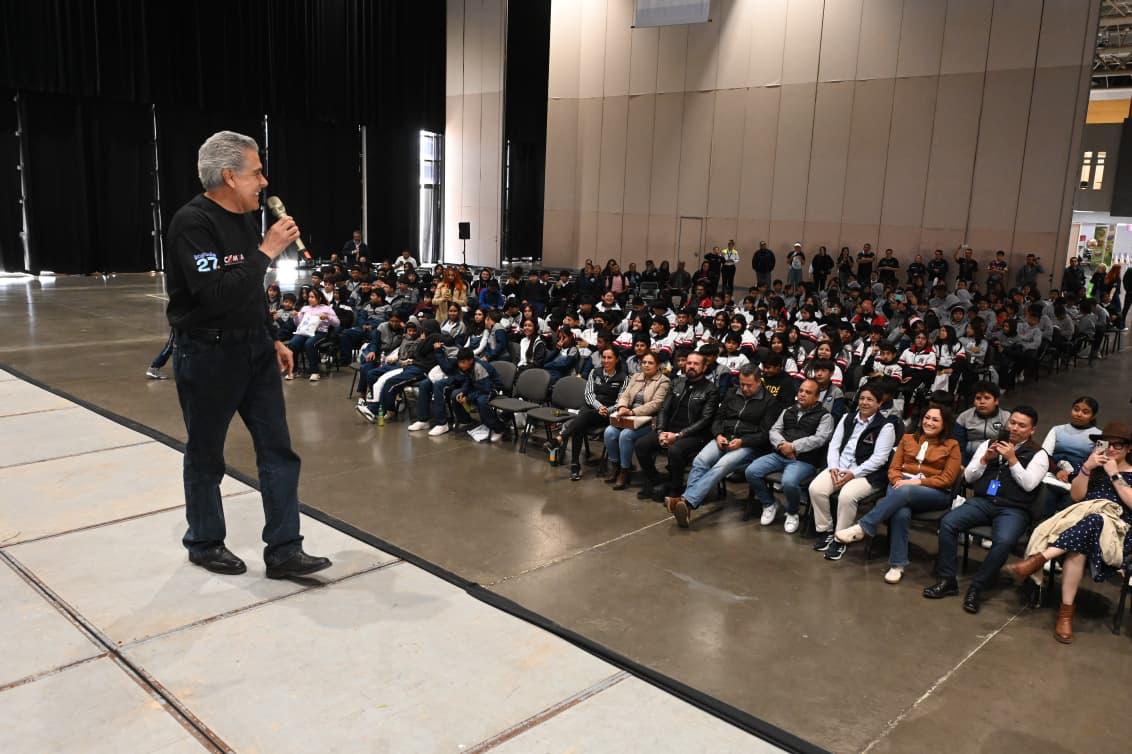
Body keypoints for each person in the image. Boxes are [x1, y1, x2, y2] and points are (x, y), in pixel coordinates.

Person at [164, 130, 329, 578]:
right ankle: (204, 542)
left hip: (254, 348)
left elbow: (249, 292)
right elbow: (214, 294)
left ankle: (285, 550)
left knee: (278, 450)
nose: (264, 181)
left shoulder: (243, 219)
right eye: (256, 172)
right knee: (206, 454)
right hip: (208, 353)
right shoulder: (192, 224)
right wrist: (266, 251)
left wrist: (272, 336)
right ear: (229, 176)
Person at [1008, 421, 1132, 643]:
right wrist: (1086, 468)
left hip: (1117, 531)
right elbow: (1076, 496)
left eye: (1118, 445)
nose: (1112, 449)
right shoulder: (1095, 468)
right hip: (1082, 524)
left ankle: (1039, 559)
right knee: (1080, 545)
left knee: (1096, 519)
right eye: (1107, 444)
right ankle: (1065, 614)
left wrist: (1115, 475)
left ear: (1129, 448)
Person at [924, 406, 1047, 613]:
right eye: (1012, 423)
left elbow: (1029, 485)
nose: (1014, 428)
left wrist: (1012, 459)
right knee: (948, 523)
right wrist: (984, 460)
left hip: (1014, 509)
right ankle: (947, 580)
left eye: (1022, 425)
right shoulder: (989, 444)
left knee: (1004, 541)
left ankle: (977, 588)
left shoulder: (1039, 454)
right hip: (983, 501)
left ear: (1032, 430)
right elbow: (968, 477)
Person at [836, 406, 961, 584]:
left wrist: (916, 482)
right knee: (901, 512)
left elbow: (947, 479)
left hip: (933, 492)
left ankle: (864, 526)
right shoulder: (908, 438)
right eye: (927, 418)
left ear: (944, 424)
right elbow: (894, 468)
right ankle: (897, 565)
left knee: (904, 492)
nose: (929, 422)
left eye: (935, 420)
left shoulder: (952, 445)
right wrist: (897, 481)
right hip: (900, 485)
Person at [667, 364, 779, 528]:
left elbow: (765, 434)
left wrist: (743, 442)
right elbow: (718, 418)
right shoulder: (732, 393)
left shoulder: (770, 402)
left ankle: (687, 501)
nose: (744, 388)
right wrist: (718, 434)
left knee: (722, 465)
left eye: (749, 385)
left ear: (759, 382)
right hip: (724, 437)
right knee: (700, 460)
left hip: (748, 444)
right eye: (742, 384)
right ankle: (687, 503)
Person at [810, 384, 901, 561]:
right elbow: (834, 445)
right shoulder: (847, 418)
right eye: (862, 398)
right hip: (840, 467)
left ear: (879, 403)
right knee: (816, 489)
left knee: (847, 496)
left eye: (870, 400)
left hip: (866, 474)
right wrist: (834, 467)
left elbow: (879, 459)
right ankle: (825, 530)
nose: (864, 402)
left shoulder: (885, 427)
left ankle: (840, 538)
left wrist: (853, 474)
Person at [746, 378, 834, 533]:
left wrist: (793, 446)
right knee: (751, 471)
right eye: (801, 391)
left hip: (804, 460)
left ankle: (793, 512)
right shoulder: (788, 410)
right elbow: (774, 430)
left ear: (816, 397)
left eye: (808, 392)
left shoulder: (825, 416)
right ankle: (769, 503)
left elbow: (820, 439)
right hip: (779, 454)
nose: (802, 394)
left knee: (789, 482)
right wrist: (782, 445)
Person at [635, 351, 719, 502]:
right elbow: (664, 409)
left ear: (704, 367)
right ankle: (657, 482)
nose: (691, 366)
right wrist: (661, 430)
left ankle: (675, 489)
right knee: (641, 445)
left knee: (675, 450)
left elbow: (705, 420)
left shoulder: (710, 389)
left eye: (696, 364)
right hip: (670, 430)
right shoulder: (676, 382)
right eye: (689, 363)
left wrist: (678, 435)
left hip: (696, 434)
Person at [547, 347, 628, 481]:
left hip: (607, 414)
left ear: (617, 359)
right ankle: (574, 464)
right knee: (581, 422)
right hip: (592, 408)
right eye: (604, 357)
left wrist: (606, 410)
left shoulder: (624, 377)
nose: (606, 360)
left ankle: (561, 439)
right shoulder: (594, 372)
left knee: (582, 418)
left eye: (609, 358)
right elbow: (588, 394)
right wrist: (598, 406)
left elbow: (621, 401)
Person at [602, 352, 671, 490]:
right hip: (628, 417)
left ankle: (624, 471)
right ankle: (615, 466)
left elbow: (656, 404)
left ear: (657, 365)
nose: (646, 365)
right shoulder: (636, 377)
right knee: (609, 432)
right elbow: (625, 395)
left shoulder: (663, 381)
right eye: (644, 362)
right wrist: (622, 407)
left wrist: (632, 412)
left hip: (649, 421)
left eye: (650, 363)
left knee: (625, 435)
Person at [1040, 396, 1100, 513]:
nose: (1079, 414)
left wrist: (1073, 476)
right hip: (1053, 475)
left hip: (1078, 479)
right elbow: (1044, 455)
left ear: (1093, 416)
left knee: (1066, 511)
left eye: (1085, 412)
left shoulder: (1100, 436)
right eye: (1076, 409)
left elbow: (1097, 463)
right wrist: (1057, 471)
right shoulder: (1056, 430)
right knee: (1045, 505)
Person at [286, 290, 339, 381]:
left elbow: (337, 323)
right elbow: (299, 324)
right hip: (305, 331)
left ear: (319, 298)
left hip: (320, 332)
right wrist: (296, 316)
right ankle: (293, 371)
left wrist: (327, 317)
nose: (310, 299)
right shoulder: (305, 308)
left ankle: (314, 371)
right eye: (309, 297)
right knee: (292, 344)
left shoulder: (326, 309)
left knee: (309, 344)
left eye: (312, 297)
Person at [954, 381, 1010, 464]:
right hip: (969, 460)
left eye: (987, 398)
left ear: (996, 401)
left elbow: (1008, 446)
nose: (982, 402)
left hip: (996, 461)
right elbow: (958, 446)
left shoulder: (1006, 418)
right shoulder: (964, 417)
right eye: (978, 398)